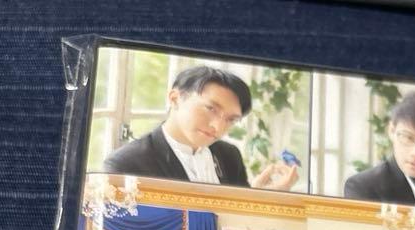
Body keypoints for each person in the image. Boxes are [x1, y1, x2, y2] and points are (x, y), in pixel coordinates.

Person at [103, 65, 298, 191]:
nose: (218, 127)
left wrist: (259, 197)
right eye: (210, 109)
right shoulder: (126, 164)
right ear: (175, 98)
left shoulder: (229, 156)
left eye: (231, 119)